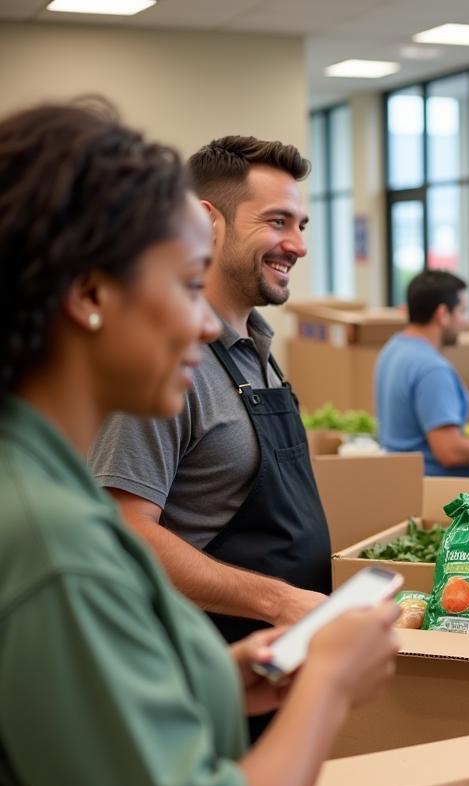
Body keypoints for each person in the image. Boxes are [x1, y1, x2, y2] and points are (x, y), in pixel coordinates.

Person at [0, 100, 399, 786]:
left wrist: (227, 679)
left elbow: (72, 723)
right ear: (90, 293)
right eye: (183, 285)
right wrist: (330, 685)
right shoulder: (54, 549)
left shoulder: (43, 490)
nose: (208, 326)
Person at [88, 134, 330, 741]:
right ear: (207, 222)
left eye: (300, 223)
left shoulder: (262, 352)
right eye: (277, 221)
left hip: (271, 670)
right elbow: (126, 531)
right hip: (201, 689)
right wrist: (278, 601)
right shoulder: (169, 369)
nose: (297, 245)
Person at [375, 269, 469, 476]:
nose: (465, 322)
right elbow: (450, 452)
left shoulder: (393, 348)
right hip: (437, 492)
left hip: (402, 480)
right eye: (462, 311)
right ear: (443, 314)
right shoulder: (432, 369)